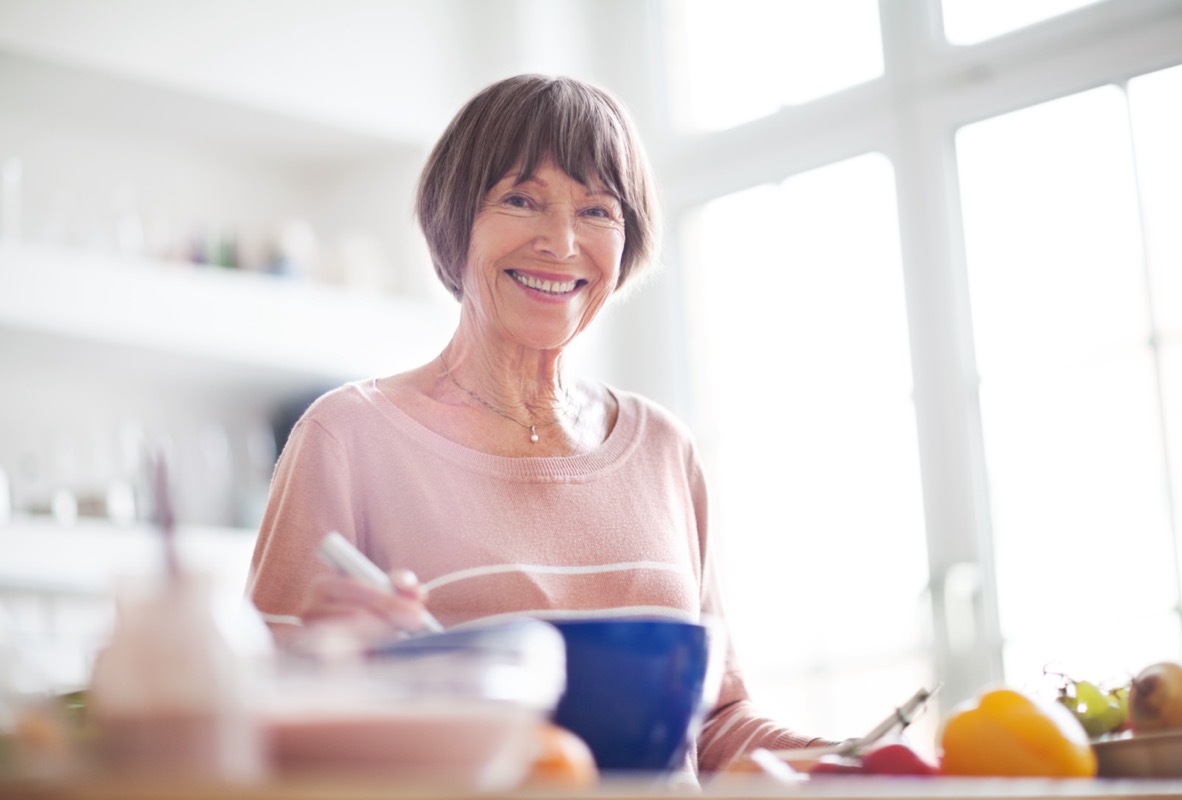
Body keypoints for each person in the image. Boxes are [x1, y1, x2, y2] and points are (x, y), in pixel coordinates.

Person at [246, 73, 825, 777]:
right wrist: (331, 664)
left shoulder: (666, 450)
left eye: (598, 211)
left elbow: (717, 723)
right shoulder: (346, 437)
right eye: (521, 200)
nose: (560, 242)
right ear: (456, 219)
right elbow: (254, 720)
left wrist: (851, 758)